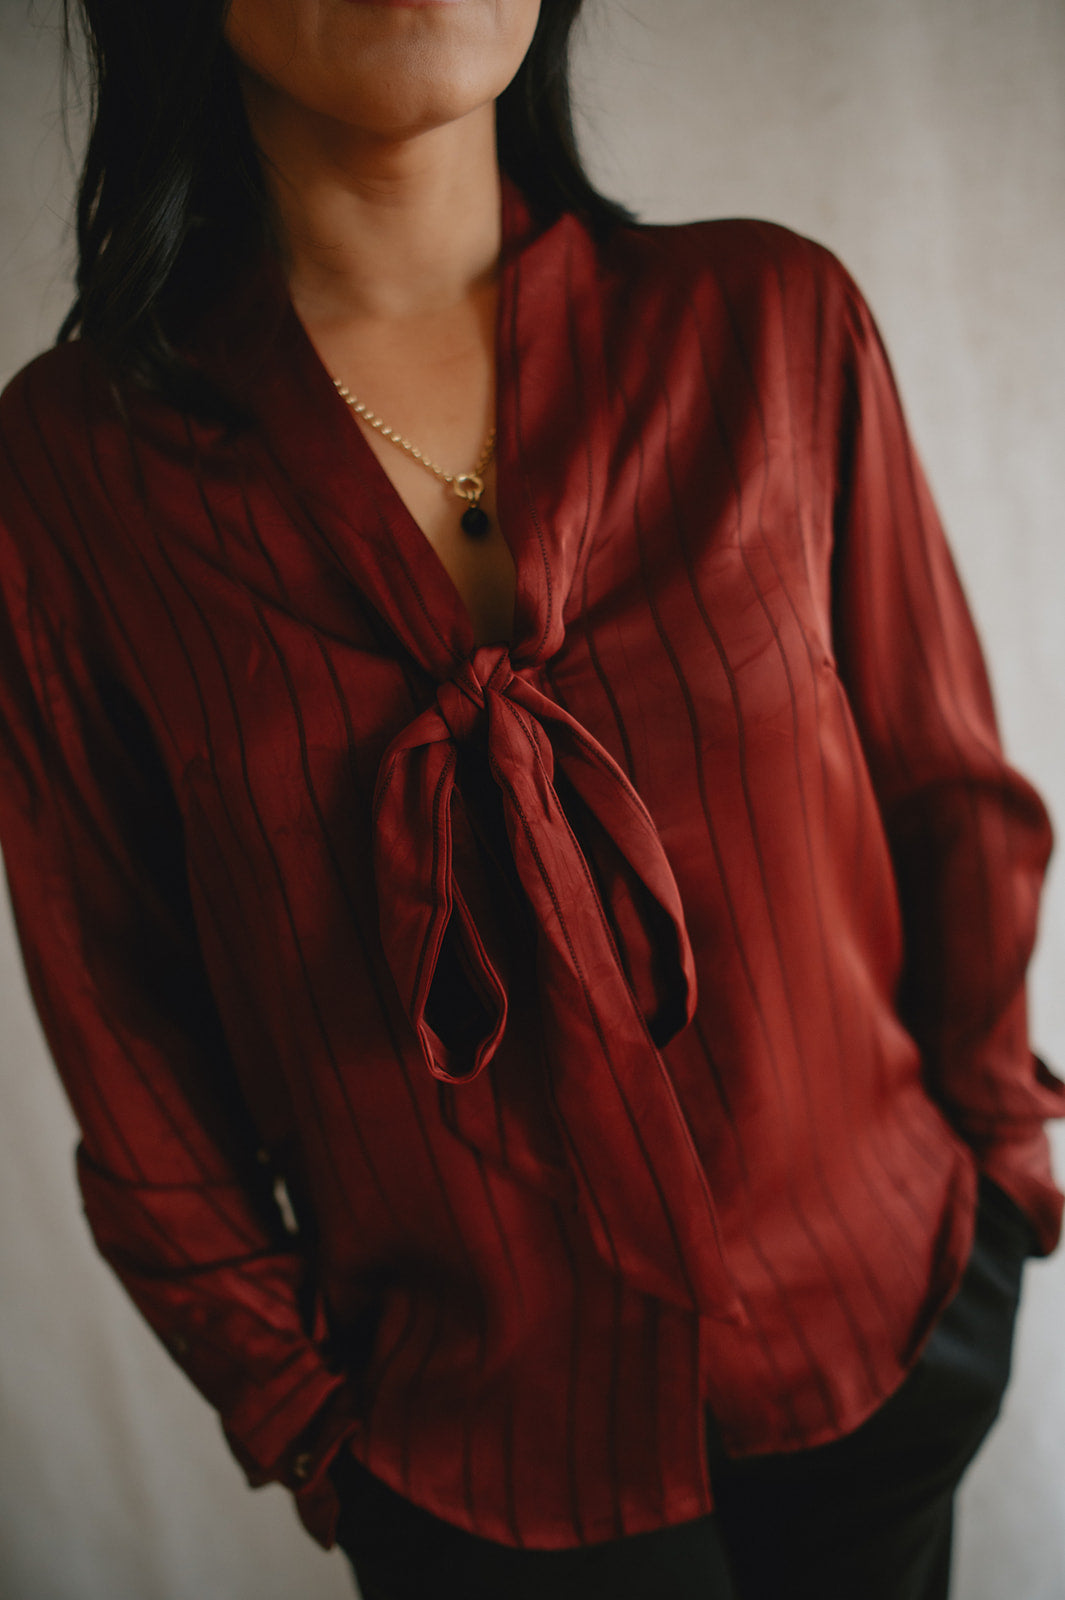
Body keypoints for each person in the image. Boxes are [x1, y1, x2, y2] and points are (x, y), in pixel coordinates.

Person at [0, 1, 1061, 1596]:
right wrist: (299, 1411)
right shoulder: (73, 478)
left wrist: (1000, 1181)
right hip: (474, 1463)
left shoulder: (768, 321)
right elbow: (120, 1003)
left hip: (882, 1336)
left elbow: (947, 793)